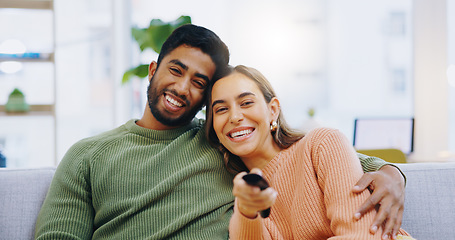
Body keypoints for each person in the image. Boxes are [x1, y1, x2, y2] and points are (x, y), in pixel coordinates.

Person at [35, 24, 405, 239]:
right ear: (152, 70)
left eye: (199, 82)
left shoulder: (219, 141)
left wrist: (393, 173)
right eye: (175, 71)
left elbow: (332, 160)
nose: (182, 89)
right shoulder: (88, 154)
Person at [205, 65, 413, 239]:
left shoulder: (322, 144)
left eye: (246, 102)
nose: (234, 117)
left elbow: (360, 236)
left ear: (273, 110)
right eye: (221, 109)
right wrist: (247, 212)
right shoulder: (241, 196)